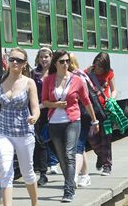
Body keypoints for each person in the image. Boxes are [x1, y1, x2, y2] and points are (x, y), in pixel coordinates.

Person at [0, 47, 39, 206]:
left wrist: (34, 117)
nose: (14, 62)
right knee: (5, 171)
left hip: (24, 133)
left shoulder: (29, 82)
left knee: (27, 173)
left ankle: (35, 203)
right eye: (12, 59)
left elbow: (35, 107)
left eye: (19, 60)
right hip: (3, 132)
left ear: (24, 64)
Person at [41, 49, 99, 202]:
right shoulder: (48, 80)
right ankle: (70, 183)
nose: (65, 64)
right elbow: (44, 101)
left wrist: (94, 120)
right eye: (62, 61)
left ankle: (68, 190)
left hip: (73, 121)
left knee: (69, 154)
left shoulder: (77, 79)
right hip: (54, 122)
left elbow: (86, 101)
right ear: (56, 63)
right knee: (61, 158)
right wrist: (56, 104)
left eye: (67, 61)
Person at [85, 52, 117, 176]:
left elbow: (114, 90)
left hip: (106, 110)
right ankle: (100, 155)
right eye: (96, 66)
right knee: (92, 137)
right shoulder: (88, 72)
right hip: (92, 110)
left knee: (106, 138)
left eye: (101, 67)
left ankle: (107, 165)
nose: (98, 69)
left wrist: (112, 99)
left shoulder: (110, 73)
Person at [68, 53, 92, 188]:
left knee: (78, 146)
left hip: (82, 114)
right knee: (80, 147)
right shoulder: (67, 77)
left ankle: (74, 177)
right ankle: (85, 175)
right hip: (73, 115)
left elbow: (85, 98)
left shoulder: (79, 76)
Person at [31, 47, 53, 186]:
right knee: (40, 141)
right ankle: (42, 173)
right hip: (37, 111)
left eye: (46, 57)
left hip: (54, 110)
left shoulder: (55, 73)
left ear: (51, 57)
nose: (44, 59)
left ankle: (69, 169)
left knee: (57, 142)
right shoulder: (34, 74)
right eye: (41, 57)